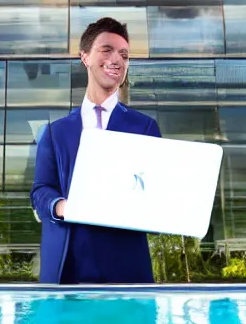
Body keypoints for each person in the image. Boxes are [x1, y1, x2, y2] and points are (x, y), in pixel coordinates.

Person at [30, 16, 161, 284]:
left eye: (124, 55)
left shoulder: (145, 127)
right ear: (85, 57)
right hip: (68, 269)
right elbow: (41, 191)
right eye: (106, 50)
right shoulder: (56, 132)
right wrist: (62, 206)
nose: (117, 60)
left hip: (126, 270)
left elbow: (155, 196)